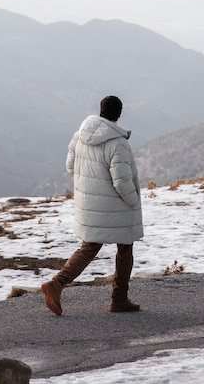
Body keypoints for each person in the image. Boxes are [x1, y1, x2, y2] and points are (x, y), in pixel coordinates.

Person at [41, 95, 143, 315]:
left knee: (89, 248)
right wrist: (134, 202)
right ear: (119, 114)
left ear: (101, 110)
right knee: (125, 248)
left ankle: (57, 283)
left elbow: (70, 167)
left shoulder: (79, 136)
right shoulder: (118, 143)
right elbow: (122, 181)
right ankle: (119, 299)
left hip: (89, 204)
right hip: (117, 206)